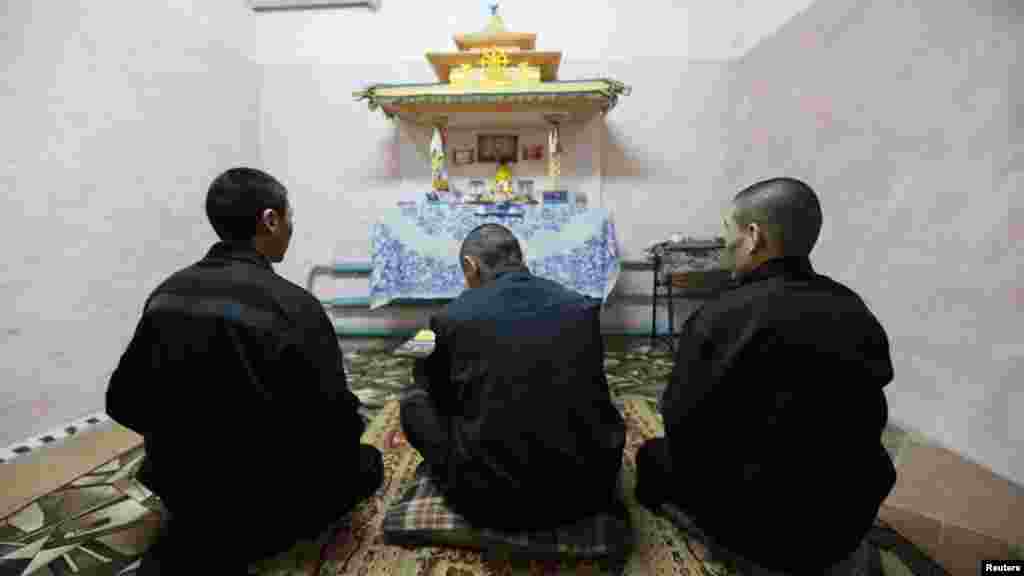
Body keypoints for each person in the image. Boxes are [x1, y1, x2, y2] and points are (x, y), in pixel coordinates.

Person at [106, 167, 382, 575]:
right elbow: (335, 424)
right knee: (367, 462)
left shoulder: (167, 293)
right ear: (270, 220)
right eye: (289, 217)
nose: (291, 227)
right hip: (269, 504)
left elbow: (124, 402)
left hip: (187, 493)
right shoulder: (295, 305)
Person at [635, 178, 896, 573]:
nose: (725, 244)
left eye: (729, 231)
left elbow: (682, 424)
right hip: (846, 516)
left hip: (764, 528)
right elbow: (871, 406)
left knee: (652, 457)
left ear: (754, 236)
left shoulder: (721, 315)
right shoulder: (852, 306)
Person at [399, 223, 626, 531]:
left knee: (414, 400)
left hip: (490, 501)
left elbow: (435, 392)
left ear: (471, 266)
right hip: (585, 493)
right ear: (520, 258)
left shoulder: (450, 317)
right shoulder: (582, 306)